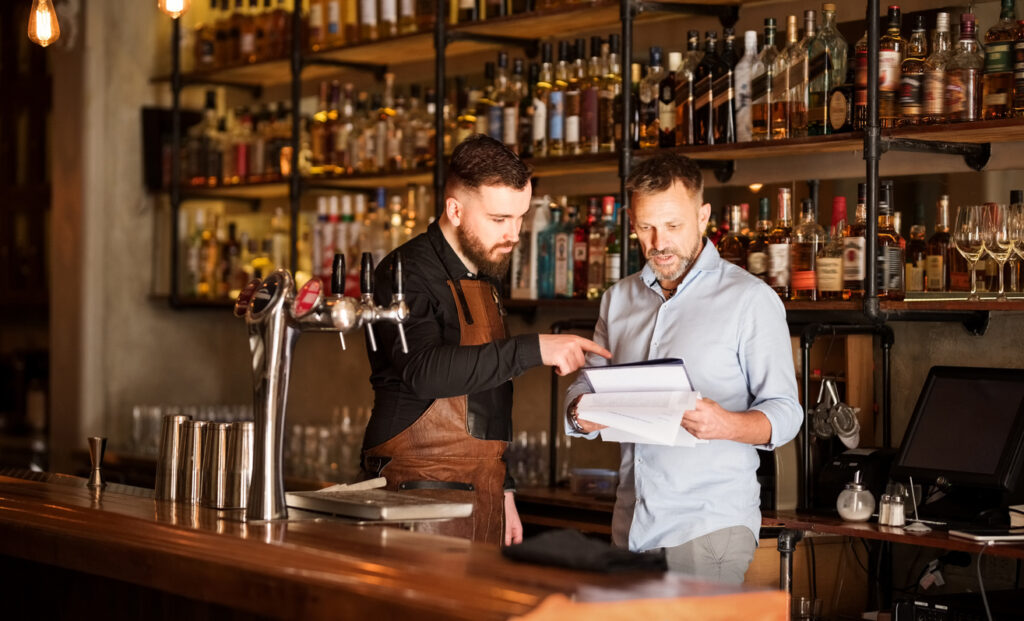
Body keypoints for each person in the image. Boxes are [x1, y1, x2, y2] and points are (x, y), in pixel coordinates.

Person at [564, 152, 802, 583]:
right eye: (645, 227)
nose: (659, 242)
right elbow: (587, 381)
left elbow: (786, 413)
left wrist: (726, 424)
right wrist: (578, 413)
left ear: (703, 215)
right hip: (631, 524)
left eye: (673, 226)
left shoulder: (750, 299)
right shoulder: (618, 300)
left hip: (707, 526)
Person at [363, 134, 611, 547]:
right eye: (499, 220)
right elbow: (424, 371)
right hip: (417, 491)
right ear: (454, 209)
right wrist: (536, 348)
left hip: (483, 487)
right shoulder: (405, 272)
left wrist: (503, 483)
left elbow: (485, 394)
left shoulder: (483, 272)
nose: (513, 234)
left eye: (520, 218)